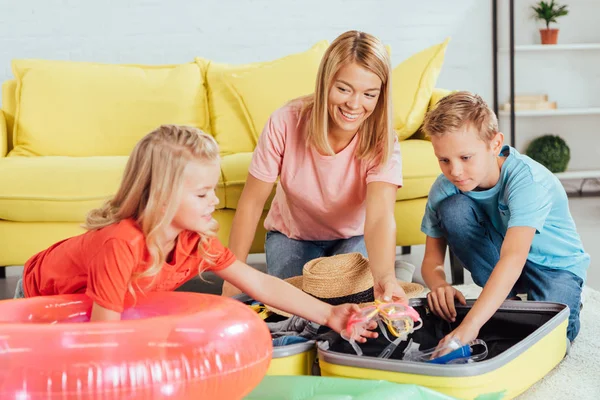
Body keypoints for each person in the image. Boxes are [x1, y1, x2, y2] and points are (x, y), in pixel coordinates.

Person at [15, 125, 377, 342]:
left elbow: (261, 284)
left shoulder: (194, 240)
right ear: (163, 198)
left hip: (105, 303)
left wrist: (330, 316)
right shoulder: (121, 243)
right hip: (43, 298)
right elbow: (103, 337)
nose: (214, 201)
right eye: (202, 194)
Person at [222, 30, 406, 303]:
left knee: (352, 300)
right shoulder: (285, 122)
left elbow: (379, 218)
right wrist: (231, 281)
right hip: (293, 237)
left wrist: (386, 278)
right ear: (325, 83)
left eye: (369, 94)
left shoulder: (382, 139)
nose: (355, 104)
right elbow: (250, 204)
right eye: (344, 89)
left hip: (353, 237)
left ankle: (395, 272)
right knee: (293, 305)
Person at [419, 91, 589, 345]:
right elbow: (432, 259)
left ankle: (562, 299)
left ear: (495, 144)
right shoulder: (444, 188)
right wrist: (439, 283)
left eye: (465, 157)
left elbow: (513, 257)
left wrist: (471, 324)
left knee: (550, 341)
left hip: (553, 267)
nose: (454, 171)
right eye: (444, 160)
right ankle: (505, 298)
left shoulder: (528, 181)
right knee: (452, 208)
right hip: (502, 260)